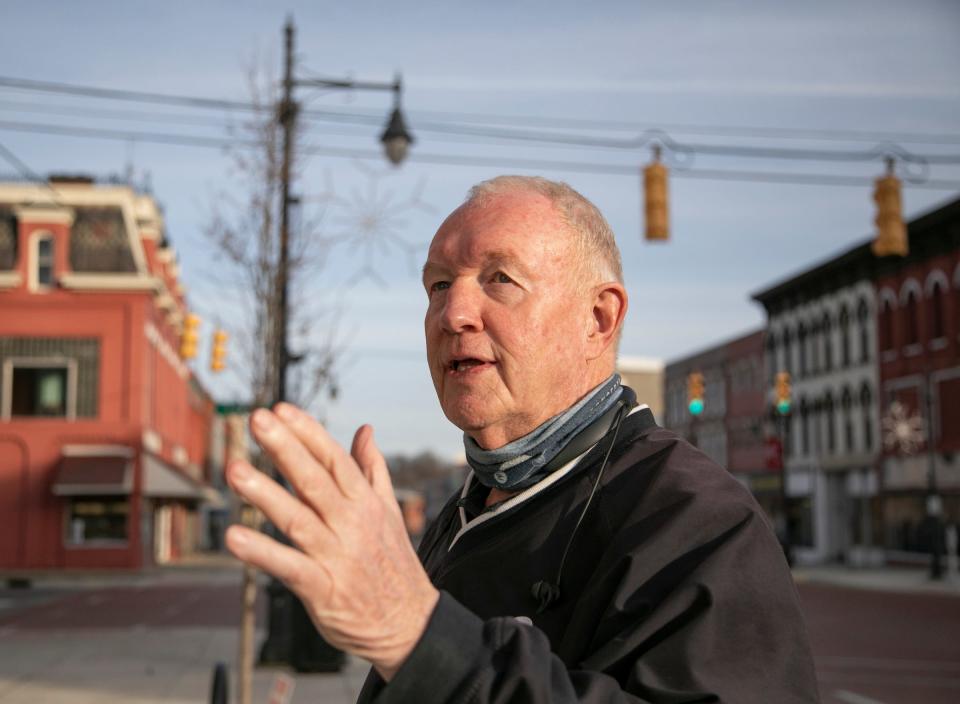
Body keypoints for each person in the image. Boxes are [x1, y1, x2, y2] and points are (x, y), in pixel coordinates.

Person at [225, 176, 821, 703]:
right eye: (437, 285)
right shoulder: (468, 508)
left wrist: (417, 636)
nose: (453, 313)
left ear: (599, 319)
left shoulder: (698, 520)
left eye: (500, 279)